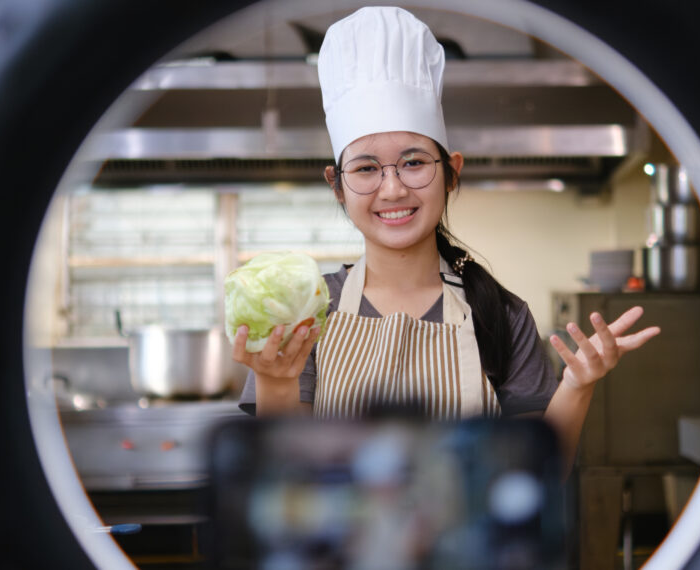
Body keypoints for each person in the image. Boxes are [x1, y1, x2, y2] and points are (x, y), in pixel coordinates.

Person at [233, 6, 660, 462]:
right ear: (337, 185)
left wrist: (577, 385)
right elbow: (287, 479)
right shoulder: (308, 312)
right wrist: (275, 382)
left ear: (452, 172)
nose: (392, 188)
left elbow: (536, 478)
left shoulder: (501, 315)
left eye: (414, 162)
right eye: (366, 168)